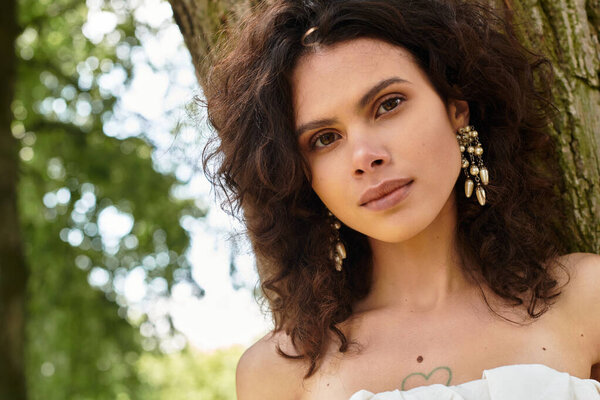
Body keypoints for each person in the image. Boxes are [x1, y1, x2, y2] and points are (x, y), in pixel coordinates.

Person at [201, 0, 600, 398]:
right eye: (325, 139)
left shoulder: (586, 299)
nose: (365, 157)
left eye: (388, 104)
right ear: (304, 177)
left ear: (455, 106)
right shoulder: (278, 374)